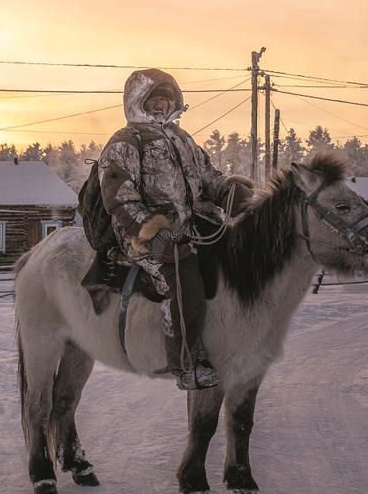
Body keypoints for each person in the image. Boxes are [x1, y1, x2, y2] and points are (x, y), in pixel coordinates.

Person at [99, 68, 253, 390]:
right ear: (137, 101)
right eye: (154, 98)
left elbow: (208, 176)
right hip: (143, 236)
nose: (161, 105)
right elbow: (120, 198)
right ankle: (186, 363)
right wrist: (151, 231)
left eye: (167, 99)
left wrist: (228, 190)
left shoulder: (183, 140)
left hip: (192, 227)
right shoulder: (125, 142)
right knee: (183, 278)